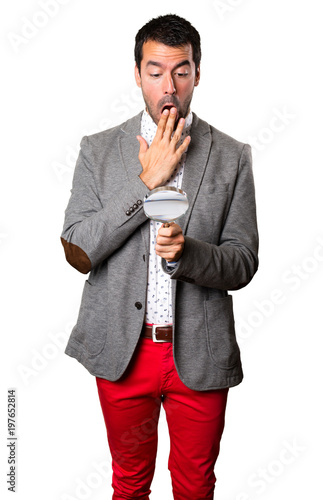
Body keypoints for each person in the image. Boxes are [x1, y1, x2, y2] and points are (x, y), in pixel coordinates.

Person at [61, 13, 258, 500]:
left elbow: (243, 261)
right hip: (123, 351)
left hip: (200, 353)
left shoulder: (232, 155)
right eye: (155, 71)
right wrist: (146, 182)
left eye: (181, 71)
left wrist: (189, 254)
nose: (168, 86)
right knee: (129, 483)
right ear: (137, 73)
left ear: (197, 72)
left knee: (195, 486)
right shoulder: (98, 150)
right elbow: (79, 250)